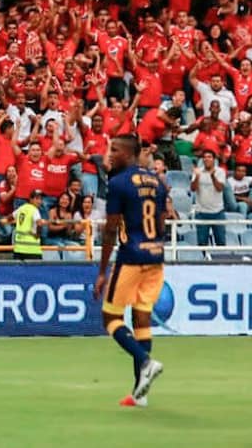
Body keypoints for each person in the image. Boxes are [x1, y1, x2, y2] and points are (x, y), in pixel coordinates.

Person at [94, 135, 166, 408]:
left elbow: (111, 228)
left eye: (114, 149)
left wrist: (102, 271)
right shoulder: (157, 182)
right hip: (155, 255)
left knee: (110, 317)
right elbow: (161, 222)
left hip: (131, 256)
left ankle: (146, 362)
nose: (110, 154)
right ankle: (140, 394)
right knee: (141, 319)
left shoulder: (119, 183)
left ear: (127, 153)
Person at [190, 149, 226, 246]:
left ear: (214, 159)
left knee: (221, 242)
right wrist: (197, 176)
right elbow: (193, 189)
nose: (206, 159)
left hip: (218, 212)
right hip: (201, 212)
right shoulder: (198, 171)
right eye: (204, 157)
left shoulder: (220, 171)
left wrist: (213, 176)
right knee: (202, 243)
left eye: (209, 157)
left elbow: (220, 188)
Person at [11, 189, 46, 260]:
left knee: (18, 270)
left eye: (41, 199)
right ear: (31, 199)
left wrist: (5, 220)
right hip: (32, 249)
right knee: (36, 271)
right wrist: (37, 235)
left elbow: (11, 217)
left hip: (19, 249)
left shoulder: (22, 208)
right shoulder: (34, 210)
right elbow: (39, 223)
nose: (39, 201)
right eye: (37, 199)